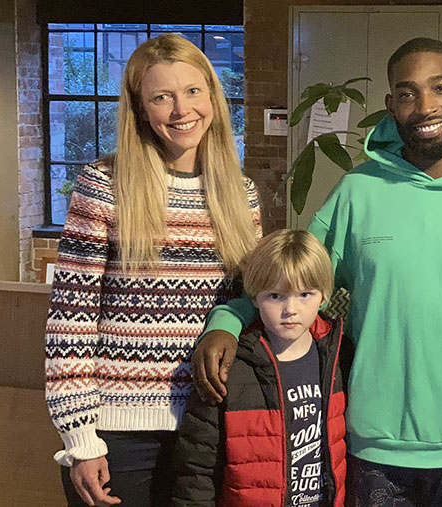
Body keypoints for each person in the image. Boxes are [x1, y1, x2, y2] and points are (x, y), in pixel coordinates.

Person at [193, 37, 442, 505]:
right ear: (391, 105)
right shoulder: (357, 192)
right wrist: (227, 322)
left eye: (440, 88)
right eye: (409, 93)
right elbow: (288, 277)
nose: (426, 106)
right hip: (373, 446)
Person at [44, 33, 262, 507]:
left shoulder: (240, 193)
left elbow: (249, 301)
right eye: (161, 96)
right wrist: (81, 439)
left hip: (211, 426)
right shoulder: (104, 184)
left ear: (212, 96)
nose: (181, 109)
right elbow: (69, 320)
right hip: (117, 436)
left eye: (192, 91)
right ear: (141, 109)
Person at [171, 229, 351, 507]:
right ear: (254, 298)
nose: (290, 308)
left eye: (305, 294)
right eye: (276, 296)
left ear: (324, 296)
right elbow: (198, 468)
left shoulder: (339, 355)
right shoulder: (230, 365)